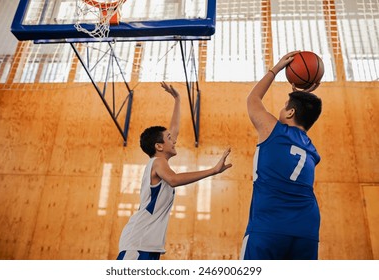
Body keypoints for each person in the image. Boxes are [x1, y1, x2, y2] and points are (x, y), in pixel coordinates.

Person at [117, 82, 232, 260]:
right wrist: (213, 170)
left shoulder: (159, 160)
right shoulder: (157, 162)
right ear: (159, 146)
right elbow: (174, 179)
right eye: (169, 138)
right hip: (137, 242)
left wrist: (178, 99)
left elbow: (174, 130)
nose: (174, 140)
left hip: (148, 244)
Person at [240, 51, 323, 260]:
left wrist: (276, 69)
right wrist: (303, 95)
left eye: (285, 106)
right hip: (307, 230)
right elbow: (306, 110)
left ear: (290, 113)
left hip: (269, 226)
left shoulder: (273, 130)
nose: (282, 108)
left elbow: (253, 99)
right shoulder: (311, 150)